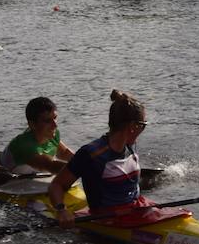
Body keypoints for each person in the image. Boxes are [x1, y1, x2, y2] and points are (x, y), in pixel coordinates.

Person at [46, 90, 147, 226]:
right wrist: (61, 210)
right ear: (133, 126)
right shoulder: (91, 154)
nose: (143, 130)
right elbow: (56, 185)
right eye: (143, 125)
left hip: (135, 209)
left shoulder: (129, 146)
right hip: (106, 218)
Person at [0, 97, 75, 174]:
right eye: (47, 121)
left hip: (30, 176)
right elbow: (49, 166)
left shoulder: (52, 134)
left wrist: (83, 161)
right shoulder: (24, 144)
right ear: (32, 124)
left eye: (55, 118)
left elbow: (64, 153)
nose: (55, 125)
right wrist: (80, 168)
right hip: (7, 180)